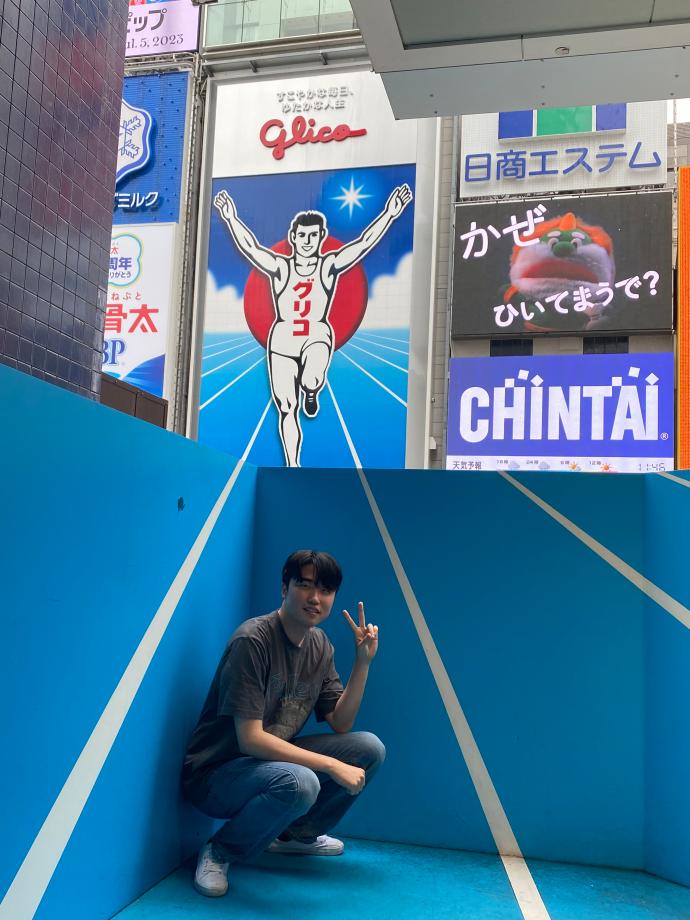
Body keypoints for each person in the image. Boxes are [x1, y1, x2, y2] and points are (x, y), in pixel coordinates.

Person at [182, 549, 385, 898]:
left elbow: (340, 721)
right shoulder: (253, 640)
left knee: (369, 749)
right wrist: (331, 765)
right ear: (284, 588)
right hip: (217, 774)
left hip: (268, 766)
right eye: (304, 585)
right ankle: (220, 851)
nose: (315, 598)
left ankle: (293, 836)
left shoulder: (320, 645)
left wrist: (362, 663)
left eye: (325, 590)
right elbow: (250, 740)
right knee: (301, 782)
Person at [213, 184, 413, 467]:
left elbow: (363, 244)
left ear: (321, 238)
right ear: (293, 238)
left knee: (311, 379)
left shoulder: (327, 266)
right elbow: (251, 248)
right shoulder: (281, 267)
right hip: (283, 340)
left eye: (313, 236)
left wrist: (390, 214)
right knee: (286, 407)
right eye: (303, 235)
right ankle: (292, 464)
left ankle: (311, 390)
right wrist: (231, 218)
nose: (308, 241)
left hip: (316, 334)